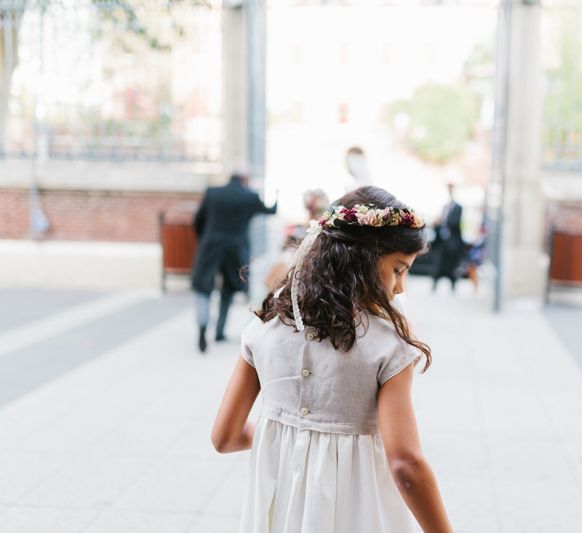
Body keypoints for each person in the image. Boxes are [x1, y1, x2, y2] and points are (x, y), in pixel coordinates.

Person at [211, 186, 453, 532]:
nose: (402, 287)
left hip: (282, 511)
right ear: (365, 260)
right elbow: (405, 464)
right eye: (399, 269)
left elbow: (224, 437)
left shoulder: (266, 326)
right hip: (360, 511)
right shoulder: (386, 344)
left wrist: (288, 435)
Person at [191, 171, 277, 353]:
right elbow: (271, 210)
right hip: (235, 248)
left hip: (211, 245)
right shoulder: (249, 196)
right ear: (245, 180)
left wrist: (205, 239)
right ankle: (220, 331)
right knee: (228, 289)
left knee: (203, 288)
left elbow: (197, 220)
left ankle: (202, 328)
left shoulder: (212, 192)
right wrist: (276, 194)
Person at [432, 183, 464, 292]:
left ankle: (453, 285)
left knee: (452, 264)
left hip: (452, 241)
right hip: (442, 240)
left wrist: (442, 222)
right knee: (439, 263)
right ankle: (435, 283)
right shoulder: (444, 206)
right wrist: (437, 223)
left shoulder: (458, 207)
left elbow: (455, 223)